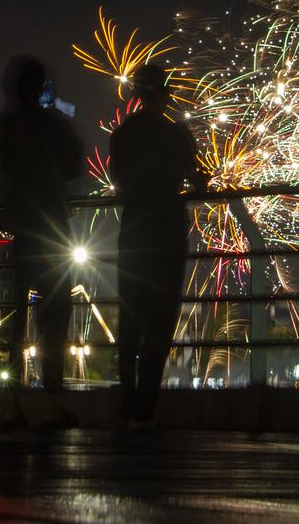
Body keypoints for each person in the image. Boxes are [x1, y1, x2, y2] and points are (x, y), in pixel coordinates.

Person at [110, 63, 205, 425]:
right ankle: (146, 402)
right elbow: (198, 180)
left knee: (130, 314)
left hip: (134, 230)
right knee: (161, 319)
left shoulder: (122, 135)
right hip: (167, 231)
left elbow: (120, 179)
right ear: (165, 95)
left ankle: (127, 396)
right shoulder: (177, 134)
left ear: (136, 95)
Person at [0, 55, 83, 400]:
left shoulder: (3, 126)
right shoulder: (57, 128)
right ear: (42, 88)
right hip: (55, 227)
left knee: (15, 315)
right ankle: (52, 395)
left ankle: (12, 400)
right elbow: (76, 165)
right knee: (54, 316)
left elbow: (2, 166)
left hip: (21, 226)